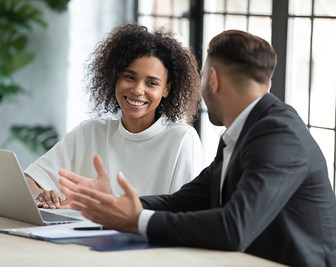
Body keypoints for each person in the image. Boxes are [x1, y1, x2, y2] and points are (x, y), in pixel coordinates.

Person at [58, 29, 336, 266]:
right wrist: (116, 206)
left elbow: (233, 228)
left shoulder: (278, 134)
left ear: (213, 80)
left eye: (202, 77)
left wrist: (137, 221)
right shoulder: (242, 132)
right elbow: (183, 202)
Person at [25, 23, 203, 209]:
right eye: (129, 77)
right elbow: (28, 179)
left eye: (151, 83)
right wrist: (40, 195)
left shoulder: (181, 139)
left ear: (166, 89)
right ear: (115, 77)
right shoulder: (89, 132)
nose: (137, 90)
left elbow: (185, 212)